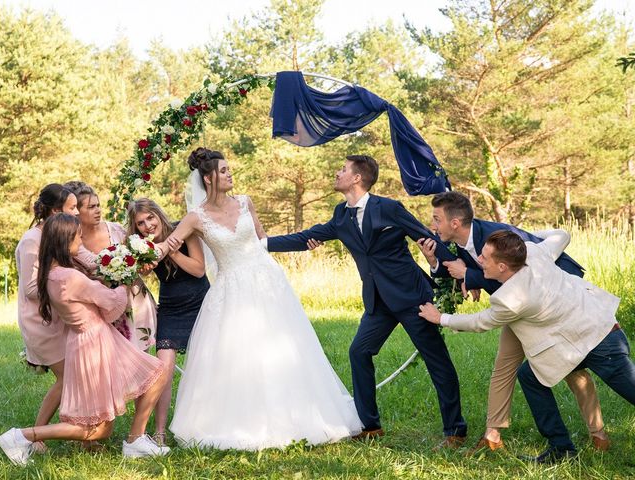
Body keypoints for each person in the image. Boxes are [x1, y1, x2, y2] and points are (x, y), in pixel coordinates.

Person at [159, 148, 362, 450]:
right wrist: (134, 255)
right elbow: (168, 245)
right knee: (239, 353)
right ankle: (243, 421)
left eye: (229, 169)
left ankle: (298, 414)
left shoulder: (245, 202)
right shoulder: (195, 217)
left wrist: (303, 244)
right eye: (224, 170)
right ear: (208, 178)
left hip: (267, 282)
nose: (230, 174)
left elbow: (263, 241)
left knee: (282, 347)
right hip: (230, 290)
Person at [266, 155, 468, 449]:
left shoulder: (388, 208)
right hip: (377, 301)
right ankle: (369, 426)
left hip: (412, 298)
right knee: (359, 352)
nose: (337, 173)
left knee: (438, 362)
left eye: (342, 169)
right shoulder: (340, 215)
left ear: (357, 178)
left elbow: (427, 238)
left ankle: (455, 431)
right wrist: (261, 245)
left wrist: (463, 274)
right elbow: (307, 236)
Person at [419, 229, 635, 463]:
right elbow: (561, 236)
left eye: (484, 257)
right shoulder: (532, 252)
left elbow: (480, 321)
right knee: (530, 376)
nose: (478, 260)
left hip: (602, 341)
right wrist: (521, 240)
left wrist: (441, 318)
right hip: (575, 339)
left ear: (502, 267)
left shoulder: (511, 299)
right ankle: (561, 448)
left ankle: (565, 446)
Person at [0, 214, 170, 465]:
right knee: (98, 430)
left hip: (89, 341)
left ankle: (135, 439)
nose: (81, 238)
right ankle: (22, 436)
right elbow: (112, 306)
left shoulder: (53, 274)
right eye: (78, 235)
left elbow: (92, 296)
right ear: (65, 241)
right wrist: (125, 280)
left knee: (156, 373)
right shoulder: (70, 277)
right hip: (95, 345)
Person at [127, 198, 210, 446]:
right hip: (171, 309)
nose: (147, 225)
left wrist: (170, 250)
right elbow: (137, 273)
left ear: (158, 214)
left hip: (201, 304)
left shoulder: (183, 231)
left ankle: (207, 421)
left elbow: (198, 270)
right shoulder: (143, 247)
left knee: (207, 363)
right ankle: (160, 431)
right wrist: (144, 263)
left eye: (150, 218)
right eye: (140, 223)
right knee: (163, 369)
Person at [14, 183, 79, 453]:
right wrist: (67, 287)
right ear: (55, 211)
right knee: (67, 378)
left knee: (73, 376)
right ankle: (34, 437)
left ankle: (75, 431)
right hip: (40, 321)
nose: (76, 213)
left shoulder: (59, 234)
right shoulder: (32, 240)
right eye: (72, 208)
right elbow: (30, 288)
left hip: (58, 317)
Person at [63, 181, 157, 350]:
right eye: (91, 207)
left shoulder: (115, 230)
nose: (98, 210)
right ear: (77, 210)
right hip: (104, 309)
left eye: (98, 205)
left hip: (135, 300)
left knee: (142, 357)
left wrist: (145, 267)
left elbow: (138, 263)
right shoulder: (73, 241)